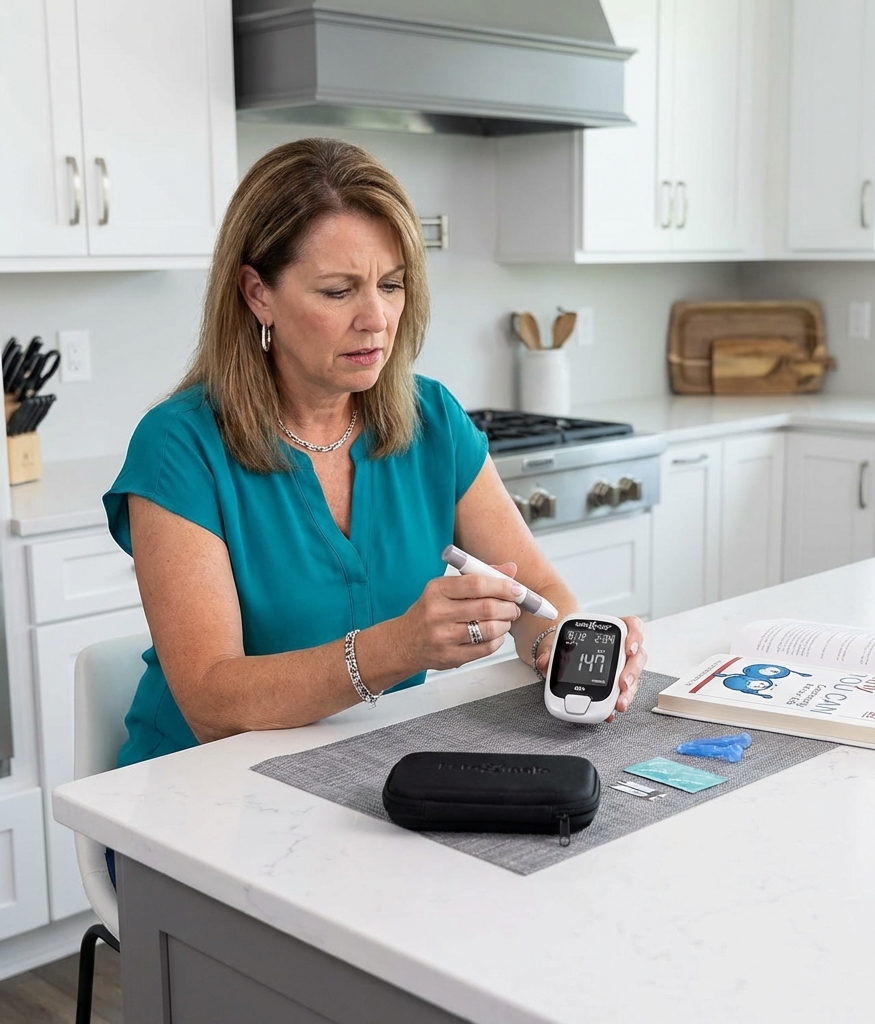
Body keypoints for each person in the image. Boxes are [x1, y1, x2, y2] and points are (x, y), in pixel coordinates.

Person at [104, 137, 648, 769]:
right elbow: (209, 701)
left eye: (391, 285)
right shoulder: (179, 446)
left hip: (375, 764)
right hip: (194, 787)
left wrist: (560, 647)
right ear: (257, 293)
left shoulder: (432, 418)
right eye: (339, 291)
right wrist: (398, 648)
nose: (377, 319)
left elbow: (538, 591)